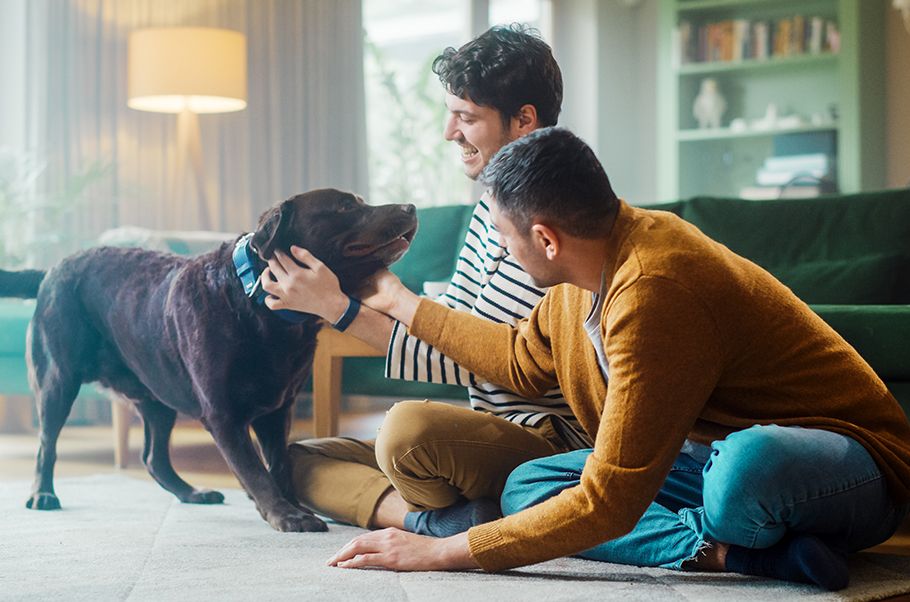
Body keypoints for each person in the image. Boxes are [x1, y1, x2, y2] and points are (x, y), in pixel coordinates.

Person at [265, 127, 910, 591]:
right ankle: (737, 552)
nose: (505, 251)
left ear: (545, 238)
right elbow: (517, 358)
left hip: (846, 462)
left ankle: (746, 532)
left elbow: (610, 500)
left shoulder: (657, 286)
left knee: (745, 471)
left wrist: (445, 551)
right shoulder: (581, 276)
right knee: (527, 488)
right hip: (699, 459)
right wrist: (398, 301)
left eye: (505, 236)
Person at [267, 24, 590, 538]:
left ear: (525, 120)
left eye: (466, 117)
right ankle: (432, 518)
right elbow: (451, 326)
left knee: (407, 430)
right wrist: (367, 295)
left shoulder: (551, 227)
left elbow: (470, 361)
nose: (449, 132)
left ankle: (464, 504)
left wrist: (340, 308)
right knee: (291, 461)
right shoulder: (491, 207)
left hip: (546, 442)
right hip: (483, 432)